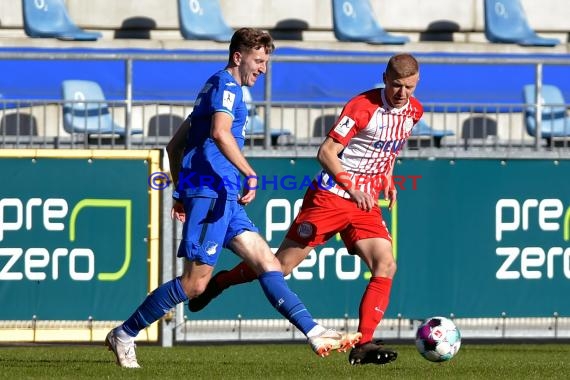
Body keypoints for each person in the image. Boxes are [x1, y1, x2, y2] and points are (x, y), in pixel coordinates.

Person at [105, 27, 360, 369]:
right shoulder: (225, 86)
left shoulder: (214, 88)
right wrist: (249, 173)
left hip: (220, 193)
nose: (263, 69)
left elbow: (174, 146)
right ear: (238, 57)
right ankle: (125, 333)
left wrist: (182, 191)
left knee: (267, 262)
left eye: (266, 62)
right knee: (195, 285)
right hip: (211, 193)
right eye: (258, 61)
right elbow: (220, 133)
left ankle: (314, 332)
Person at [187, 53, 423, 366]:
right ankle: (221, 282)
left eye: (409, 87)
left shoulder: (414, 111)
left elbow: (388, 148)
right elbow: (326, 152)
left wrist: (388, 179)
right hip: (331, 197)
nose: (402, 93)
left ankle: (364, 343)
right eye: (396, 85)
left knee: (386, 265)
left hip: (365, 203)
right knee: (280, 267)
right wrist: (352, 187)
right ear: (384, 78)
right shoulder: (362, 107)